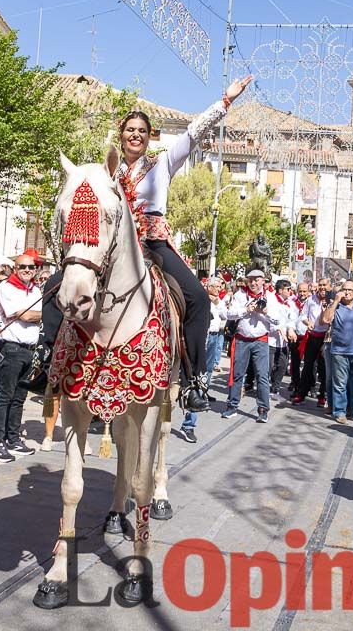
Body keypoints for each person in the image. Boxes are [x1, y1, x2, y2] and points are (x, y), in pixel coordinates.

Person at [115, 76, 253, 399]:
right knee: (64, 282)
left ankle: (194, 380)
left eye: (142, 131)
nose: (135, 135)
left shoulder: (162, 162)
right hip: (117, 245)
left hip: (153, 244)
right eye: (130, 130)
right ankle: (50, 357)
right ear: (121, 135)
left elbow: (194, 132)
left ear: (150, 138)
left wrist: (226, 101)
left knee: (200, 299)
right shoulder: (111, 171)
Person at [0, 253, 42, 463]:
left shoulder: (36, 290)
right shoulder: (6, 287)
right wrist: (41, 315)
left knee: (20, 398)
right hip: (11, 347)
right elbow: (25, 315)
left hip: (30, 348)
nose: (27, 270)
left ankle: (13, 438)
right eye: (23, 267)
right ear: (15, 268)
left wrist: (36, 315)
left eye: (31, 267)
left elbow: (33, 314)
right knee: (5, 396)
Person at [224, 269, 280, 422]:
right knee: (237, 374)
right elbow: (230, 314)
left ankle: (263, 409)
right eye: (251, 280)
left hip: (260, 340)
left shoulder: (270, 297)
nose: (253, 283)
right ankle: (232, 406)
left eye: (257, 280)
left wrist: (264, 312)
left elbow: (277, 321)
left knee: (262, 375)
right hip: (242, 339)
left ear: (263, 281)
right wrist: (246, 309)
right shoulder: (240, 295)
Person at [180, 277, 228, 443]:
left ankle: (190, 422)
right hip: (197, 341)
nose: (216, 289)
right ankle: (189, 424)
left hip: (213, 338)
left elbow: (225, 315)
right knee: (194, 380)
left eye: (218, 286)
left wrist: (217, 302)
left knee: (204, 378)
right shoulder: (197, 299)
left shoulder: (218, 302)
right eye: (213, 286)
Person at [323, 280, 353, 424]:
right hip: (339, 351)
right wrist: (336, 300)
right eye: (345, 289)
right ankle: (339, 412)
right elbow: (326, 319)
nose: (347, 292)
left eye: (350, 290)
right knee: (340, 384)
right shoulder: (336, 306)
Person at [294, 278, 331, 405]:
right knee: (308, 367)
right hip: (313, 336)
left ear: (329, 286)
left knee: (324, 368)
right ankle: (301, 394)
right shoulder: (311, 300)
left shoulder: (332, 300)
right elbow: (303, 315)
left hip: (327, 338)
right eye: (320, 285)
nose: (322, 288)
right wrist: (307, 322)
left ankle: (323, 395)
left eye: (324, 285)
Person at [269, 280, 297, 397]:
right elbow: (269, 318)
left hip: (283, 342)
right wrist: (279, 329)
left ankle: (275, 389)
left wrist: (291, 329)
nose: (291, 291)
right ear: (280, 290)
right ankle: (265, 389)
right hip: (270, 339)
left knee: (282, 365)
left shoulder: (290, 303)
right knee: (268, 367)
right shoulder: (271, 300)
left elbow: (292, 319)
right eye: (288, 289)